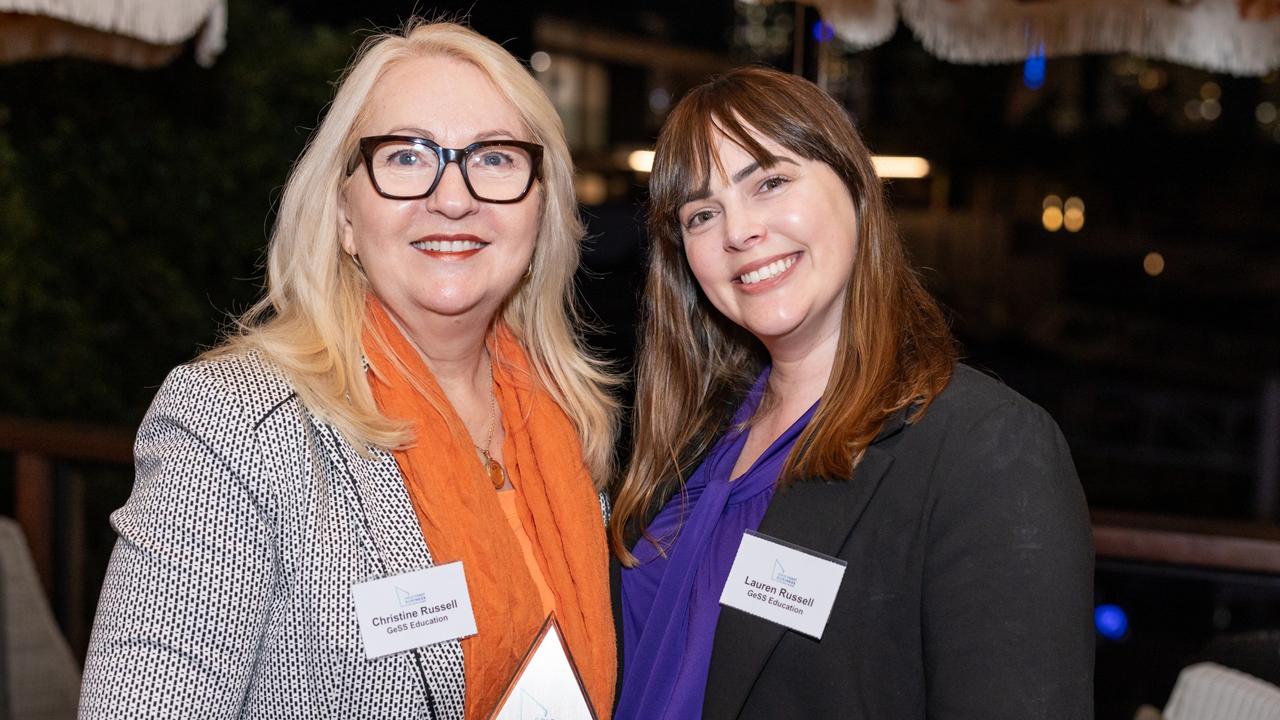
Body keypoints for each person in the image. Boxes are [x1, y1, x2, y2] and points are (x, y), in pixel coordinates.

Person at [79, 21, 617, 720]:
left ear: (539, 205)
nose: (452, 197)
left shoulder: (567, 427)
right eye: (405, 157)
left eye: (493, 158)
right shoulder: (236, 423)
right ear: (344, 215)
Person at [608, 66, 1094, 720]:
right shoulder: (690, 443)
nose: (739, 231)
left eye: (771, 182)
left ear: (857, 189)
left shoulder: (987, 450)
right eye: (702, 214)